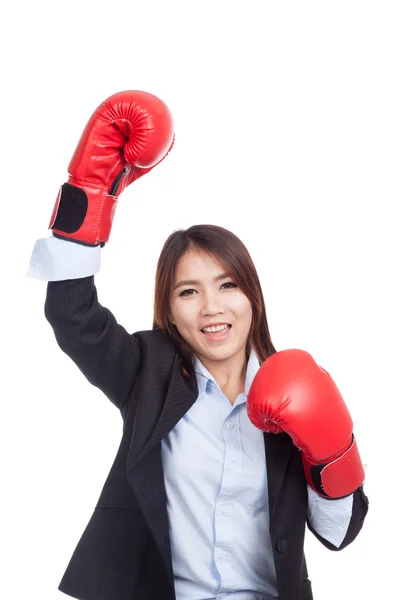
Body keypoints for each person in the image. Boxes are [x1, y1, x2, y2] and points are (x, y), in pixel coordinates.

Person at [27, 90, 369, 600]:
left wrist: (332, 456)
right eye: (189, 291)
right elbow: (71, 315)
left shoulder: (293, 389)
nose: (211, 307)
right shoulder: (148, 373)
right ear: (169, 308)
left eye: (227, 285)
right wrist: (93, 188)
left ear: (252, 295)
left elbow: (337, 535)